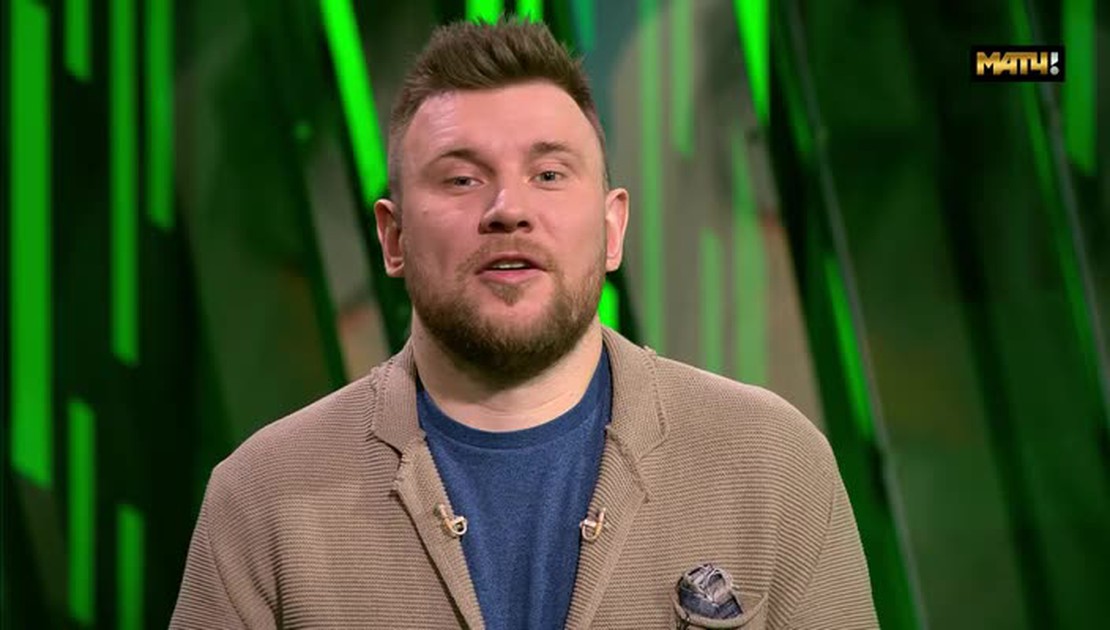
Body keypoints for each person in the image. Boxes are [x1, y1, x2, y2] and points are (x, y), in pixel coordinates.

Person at [171, 18, 877, 630]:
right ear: (392, 237)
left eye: (549, 174)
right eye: (461, 178)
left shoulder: (773, 463)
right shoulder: (261, 499)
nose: (508, 208)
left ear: (612, 228)